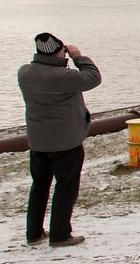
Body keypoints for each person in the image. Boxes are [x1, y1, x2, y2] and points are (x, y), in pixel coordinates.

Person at [18, 32, 102, 247]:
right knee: (66, 188)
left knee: (39, 186)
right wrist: (78, 56)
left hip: (38, 142)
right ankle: (60, 234)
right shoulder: (62, 76)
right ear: (58, 53)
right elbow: (93, 77)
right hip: (66, 142)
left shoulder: (24, 73)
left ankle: (34, 233)